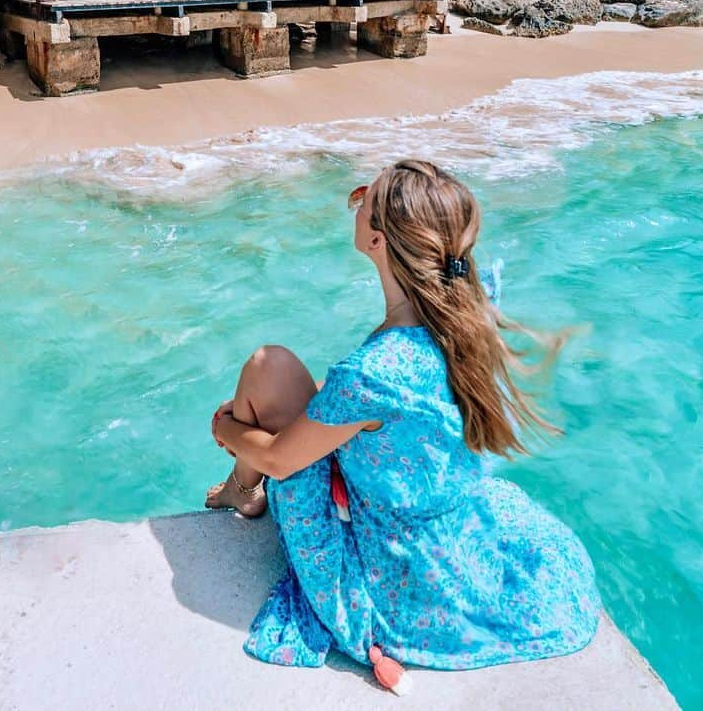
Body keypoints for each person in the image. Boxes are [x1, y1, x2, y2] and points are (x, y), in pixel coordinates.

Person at [206, 158, 601, 672]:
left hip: (399, 578)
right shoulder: (466, 311)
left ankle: (242, 486)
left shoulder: (374, 372)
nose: (356, 201)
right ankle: (242, 484)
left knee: (267, 366)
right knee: (287, 379)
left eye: (364, 198)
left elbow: (282, 460)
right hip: (452, 544)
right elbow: (390, 399)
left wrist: (229, 428)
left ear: (378, 242)